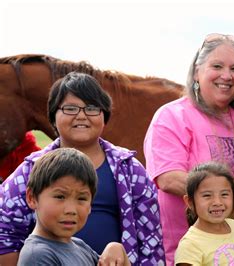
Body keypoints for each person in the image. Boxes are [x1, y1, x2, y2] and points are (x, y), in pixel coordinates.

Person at [144, 33, 234, 265]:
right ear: (197, 73)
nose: (226, 76)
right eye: (217, 66)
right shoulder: (171, 117)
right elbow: (168, 178)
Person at [0, 72, 165, 266]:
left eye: (92, 108)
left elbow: (150, 237)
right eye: (70, 108)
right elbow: (5, 233)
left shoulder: (129, 168)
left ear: (105, 117)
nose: (81, 115)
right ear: (53, 116)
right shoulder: (31, 169)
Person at [18, 148, 130, 266]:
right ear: (32, 198)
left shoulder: (80, 247)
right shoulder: (38, 255)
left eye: (81, 198)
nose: (71, 210)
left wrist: (118, 249)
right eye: (60, 197)